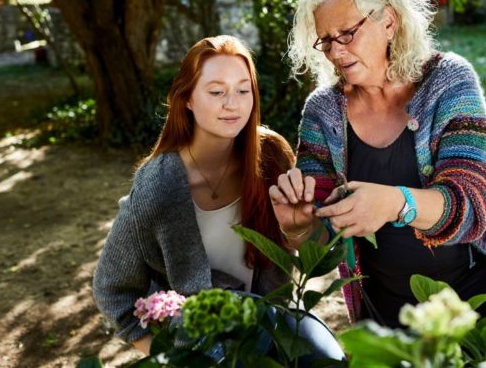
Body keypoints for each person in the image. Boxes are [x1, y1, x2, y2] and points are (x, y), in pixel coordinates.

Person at [269, 0, 486, 336]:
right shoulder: (322, 112)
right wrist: (300, 228)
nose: (335, 52)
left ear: (388, 21)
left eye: (347, 33)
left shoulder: (448, 82)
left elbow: (474, 207)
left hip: (484, 294)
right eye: (325, 40)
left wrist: (394, 203)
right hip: (393, 316)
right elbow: (324, 250)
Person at [92, 35, 343, 362]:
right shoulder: (158, 184)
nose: (233, 104)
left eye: (243, 90)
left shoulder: (271, 158)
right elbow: (112, 290)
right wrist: (171, 358)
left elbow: (313, 250)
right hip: (203, 347)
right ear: (187, 100)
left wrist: (299, 228)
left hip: (273, 330)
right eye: (216, 91)